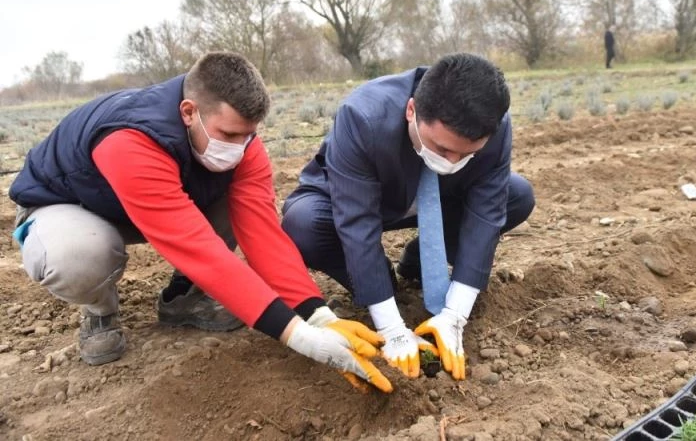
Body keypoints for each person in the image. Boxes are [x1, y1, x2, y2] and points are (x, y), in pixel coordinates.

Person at [9, 52, 392, 393]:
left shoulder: (242, 144)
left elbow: (263, 234)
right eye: (229, 134)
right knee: (80, 256)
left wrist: (317, 314)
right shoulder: (131, 138)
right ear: (189, 112)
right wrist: (298, 336)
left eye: (249, 135)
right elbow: (197, 248)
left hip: (151, 202)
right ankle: (99, 308)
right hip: (73, 208)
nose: (240, 146)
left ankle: (185, 297)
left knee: (232, 200)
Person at [281, 53, 535, 381]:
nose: (452, 161)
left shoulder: (494, 124)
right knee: (302, 224)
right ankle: (380, 282)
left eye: (466, 154)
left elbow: (487, 213)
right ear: (411, 110)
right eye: (442, 149)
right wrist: (390, 326)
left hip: (439, 200)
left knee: (517, 195)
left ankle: (419, 260)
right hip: (359, 199)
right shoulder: (363, 115)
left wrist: (455, 315)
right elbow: (356, 222)